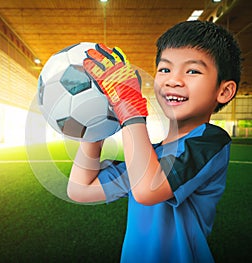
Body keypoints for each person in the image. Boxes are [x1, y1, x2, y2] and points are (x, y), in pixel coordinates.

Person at [67, 20, 242, 263]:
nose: (173, 80)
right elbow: (79, 189)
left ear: (223, 91)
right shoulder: (149, 158)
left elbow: (148, 190)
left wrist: (129, 108)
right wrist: (96, 122)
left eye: (192, 71)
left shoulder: (211, 141)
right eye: (164, 69)